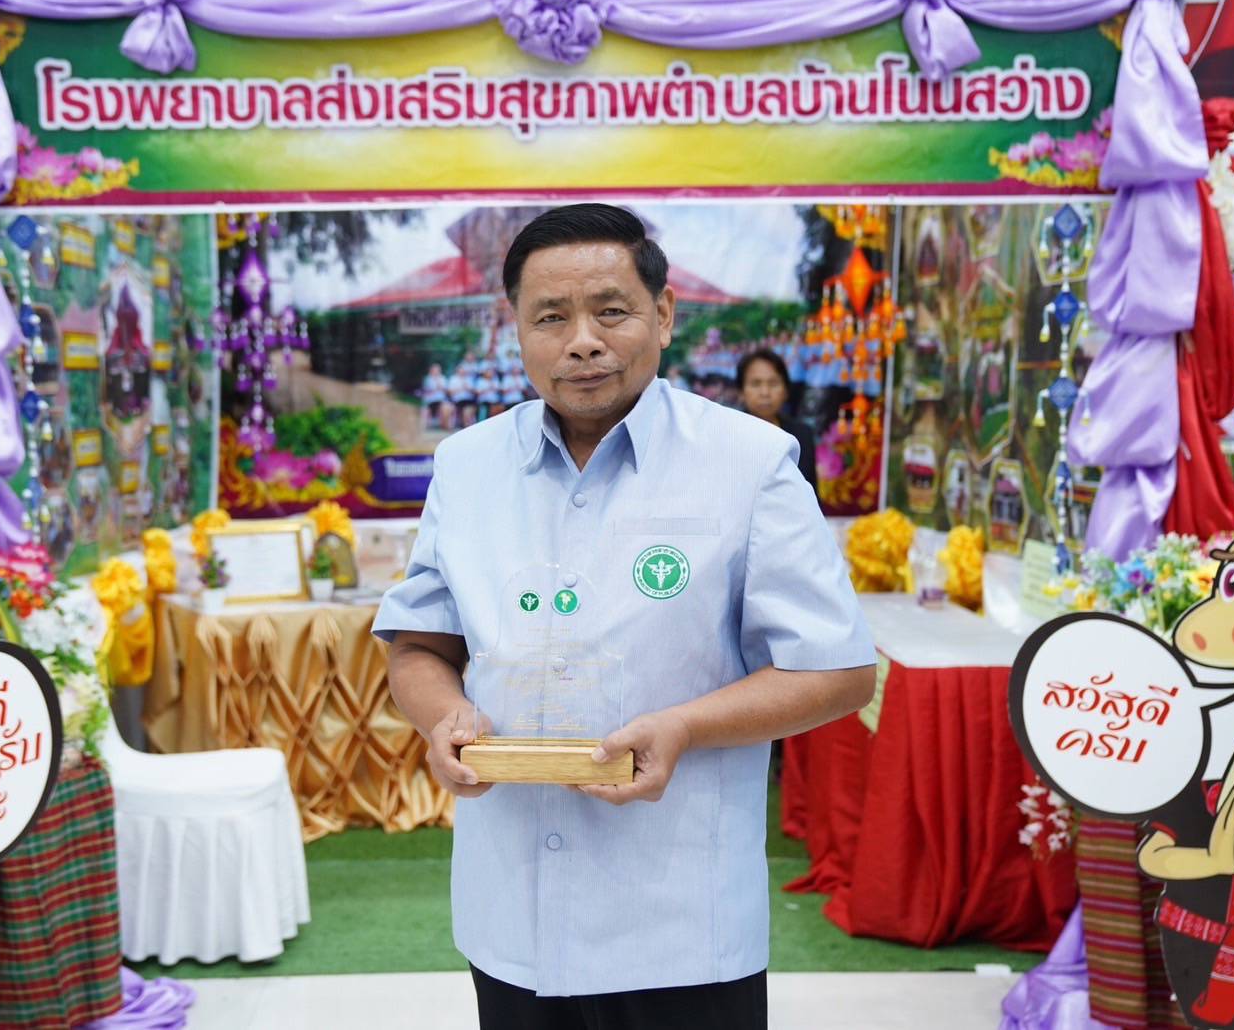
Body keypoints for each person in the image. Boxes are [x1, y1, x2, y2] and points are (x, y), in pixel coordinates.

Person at [373, 204, 874, 1029]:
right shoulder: (466, 467)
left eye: (611, 310)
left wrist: (683, 726)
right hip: (512, 918)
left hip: (680, 922)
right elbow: (419, 647)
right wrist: (444, 716)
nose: (582, 342)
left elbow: (838, 670)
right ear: (516, 329)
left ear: (664, 315)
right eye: (551, 317)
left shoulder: (748, 463)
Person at [737, 348, 819, 491]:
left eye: (773, 383)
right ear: (741, 392)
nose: (765, 393)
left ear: (786, 390)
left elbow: (811, 493)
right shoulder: (731, 436)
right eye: (756, 384)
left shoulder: (802, 435)